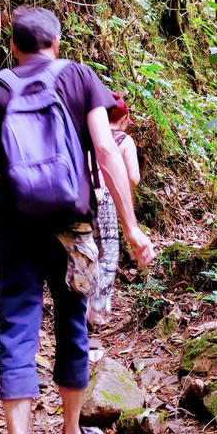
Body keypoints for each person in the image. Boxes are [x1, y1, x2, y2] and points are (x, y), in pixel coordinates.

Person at [0, 6, 156, 434]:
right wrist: (132, 228)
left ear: (14, 46)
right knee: (72, 322)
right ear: (57, 41)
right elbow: (107, 152)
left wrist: (19, 190)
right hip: (74, 229)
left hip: (14, 231)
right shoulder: (80, 78)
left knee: (18, 331)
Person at [90, 93, 140, 327]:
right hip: (107, 197)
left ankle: (79, 304)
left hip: (81, 195)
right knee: (108, 252)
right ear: (124, 117)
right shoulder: (123, 140)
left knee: (84, 250)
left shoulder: (87, 135)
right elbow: (134, 178)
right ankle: (96, 309)